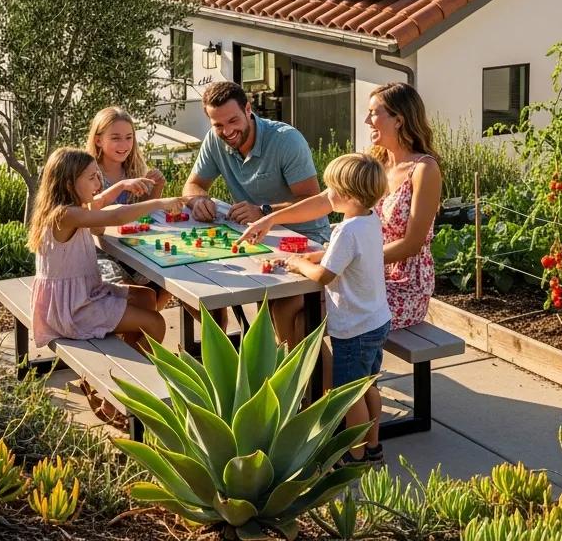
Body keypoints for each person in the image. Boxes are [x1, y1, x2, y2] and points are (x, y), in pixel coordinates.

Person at [243, 82, 441, 336]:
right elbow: (326, 200)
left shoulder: (424, 169)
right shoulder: (375, 161)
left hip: (402, 285)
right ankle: (294, 372)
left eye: (374, 112)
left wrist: (339, 260)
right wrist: (269, 219)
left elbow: (412, 244)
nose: (368, 120)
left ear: (399, 120)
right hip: (362, 270)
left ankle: (320, 375)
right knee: (284, 304)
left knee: (306, 318)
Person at [27, 147, 181, 422]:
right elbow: (115, 216)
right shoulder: (65, 215)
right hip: (73, 310)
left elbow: (101, 203)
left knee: (146, 297)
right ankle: (115, 388)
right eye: (92, 178)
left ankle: (118, 368)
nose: (98, 185)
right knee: (155, 324)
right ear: (67, 184)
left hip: (83, 294)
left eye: (99, 177)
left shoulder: (71, 209)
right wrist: (159, 203)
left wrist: (122, 185)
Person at [180, 80, 327, 336]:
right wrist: (199, 200)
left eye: (233, 121)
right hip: (256, 243)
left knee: (281, 310)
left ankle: (290, 371)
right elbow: (192, 185)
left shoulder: (286, 140)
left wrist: (265, 211)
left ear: (248, 109)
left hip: (305, 241)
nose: (227, 131)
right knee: (201, 288)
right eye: (218, 125)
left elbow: (314, 201)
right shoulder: (214, 141)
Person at [281, 152, 391, 465]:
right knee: (369, 385)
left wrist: (301, 264)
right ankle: (372, 447)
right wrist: (315, 256)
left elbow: (325, 275)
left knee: (349, 394)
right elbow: (338, 257)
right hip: (376, 320)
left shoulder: (346, 231)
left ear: (347, 195)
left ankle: (353, 455)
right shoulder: (368, 221)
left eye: (331, 189)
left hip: (354, 329)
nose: (327, 195)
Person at [86, 106, 171, 310]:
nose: (124, 145)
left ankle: (147, 323)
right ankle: (142, 325)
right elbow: (92, 221)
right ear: (98, 140)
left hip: (131, 249)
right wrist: (121, 187)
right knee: (129, 293)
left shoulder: (134, 169)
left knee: (170, 275)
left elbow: (144, 216)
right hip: (97, 254)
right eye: (115, 138)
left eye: (129, 137)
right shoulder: (88, 173)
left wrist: (156, 188)